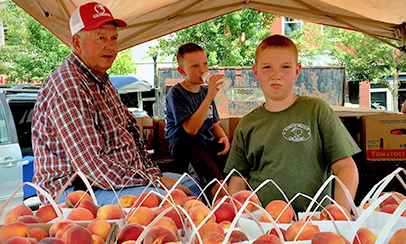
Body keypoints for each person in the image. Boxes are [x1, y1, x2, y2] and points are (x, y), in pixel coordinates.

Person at [32, 2, 196, 206]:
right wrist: (154, 181)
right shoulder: (68, 86)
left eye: (114, 38)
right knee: (168, 202)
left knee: (195, 186)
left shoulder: (101, 81)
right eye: (101, 37)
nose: (110, 46)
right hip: (80, 192)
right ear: (77, 43)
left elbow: (133, 137)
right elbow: (91, 166)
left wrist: (153, 174)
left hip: (120, 182)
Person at [224, 34, 360, 213]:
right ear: (255, 71)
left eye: (285, 67)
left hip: (314, 222)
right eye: (267, 67)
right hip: (262, 225)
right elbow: (238, 180)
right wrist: (240, 217)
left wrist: (340, 214)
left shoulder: (316, 110)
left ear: (297, 70)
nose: (276, 75)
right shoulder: (247, 123)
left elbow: (345, 167)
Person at [164, 42, 230, 198]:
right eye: (195, 66)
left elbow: (215, 124)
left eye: (205, 64)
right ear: (182, 71)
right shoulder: (177, 93)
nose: (202, 70)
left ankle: (231, 189)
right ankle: (218, 194)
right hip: (185, 145)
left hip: (206, 142)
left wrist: (224, 137)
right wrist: (209, 98)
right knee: (216, 181)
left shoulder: (205, 91)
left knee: (232, 157)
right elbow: (191, 130)